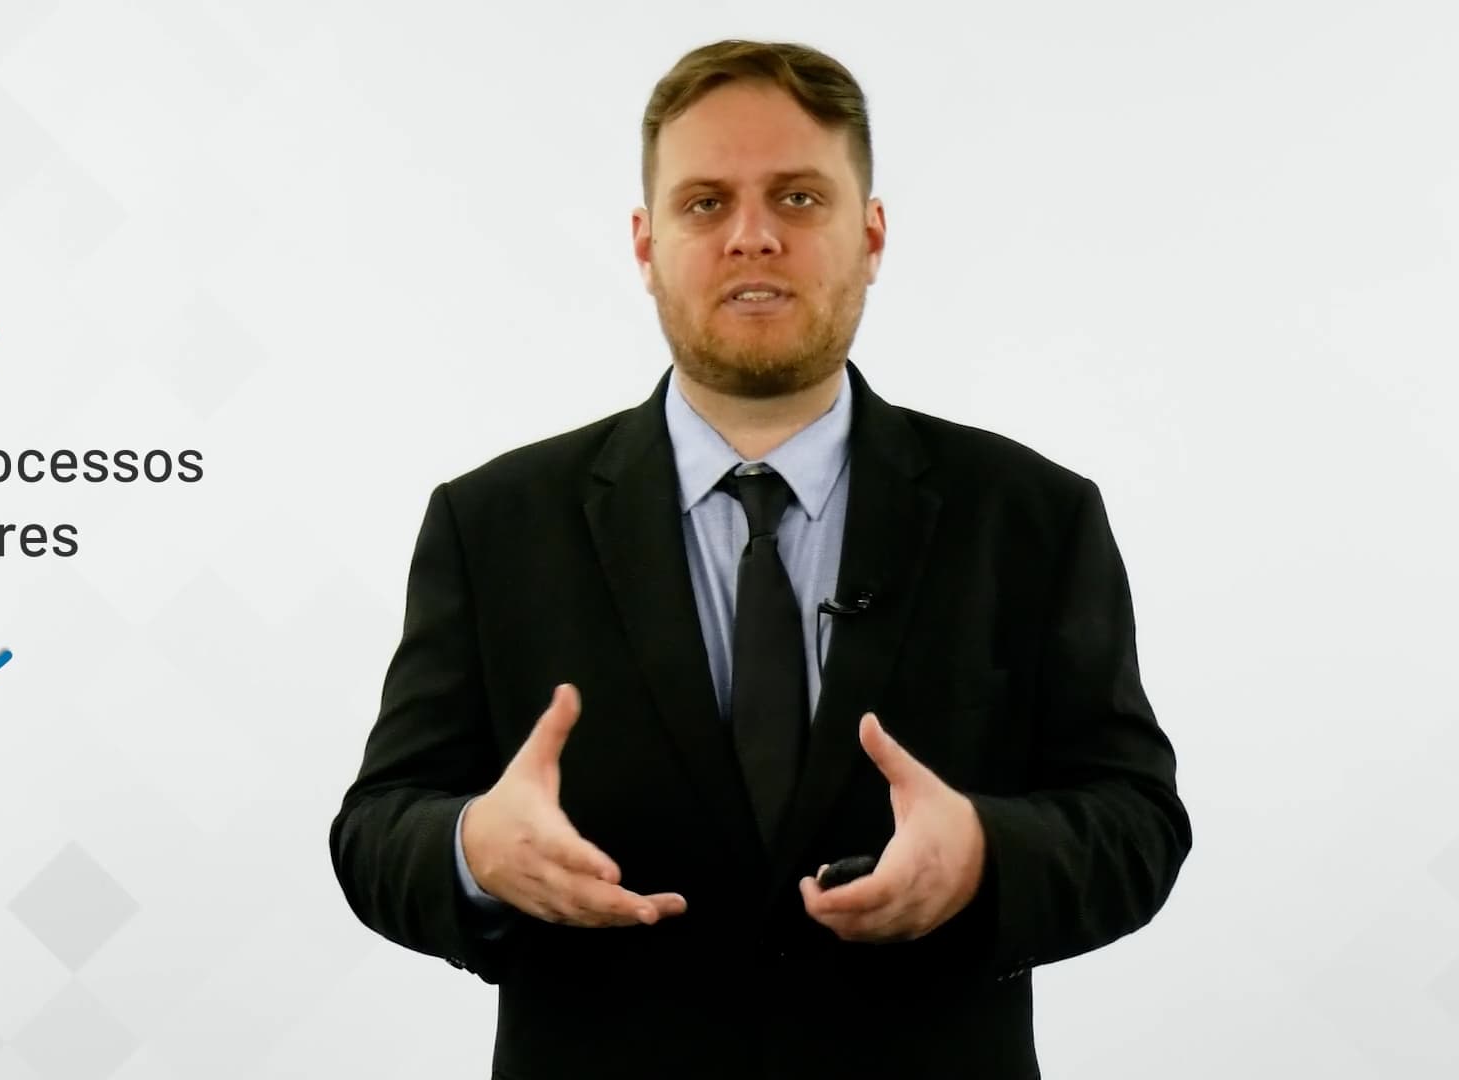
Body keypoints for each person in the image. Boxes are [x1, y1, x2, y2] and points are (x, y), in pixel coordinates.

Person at [328, 38, 1191, 1080]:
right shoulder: (491, 524)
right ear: (646, 245)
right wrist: (473, 848)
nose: (753, 236)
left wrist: (983, 856)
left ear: (870, 234)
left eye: (798, 197)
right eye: (705, 204)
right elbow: (376, 828)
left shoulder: (1032, 516)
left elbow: (1137, 821)